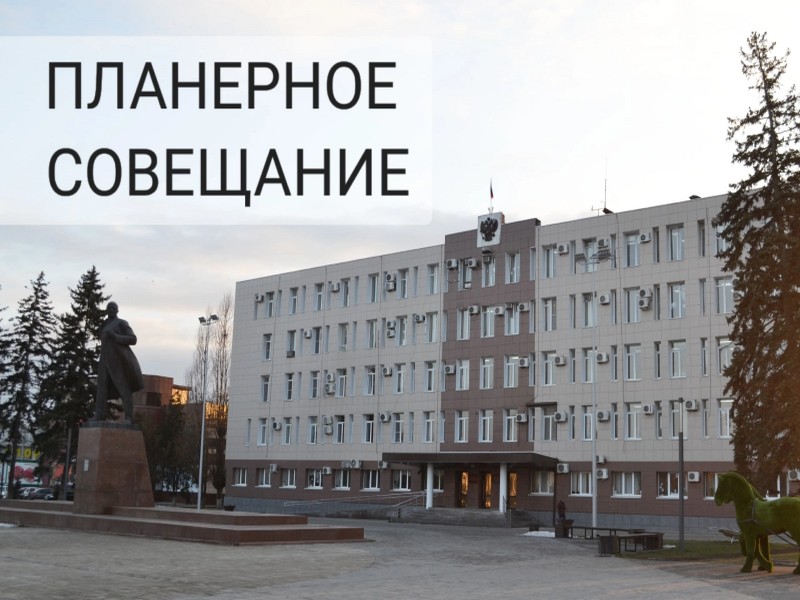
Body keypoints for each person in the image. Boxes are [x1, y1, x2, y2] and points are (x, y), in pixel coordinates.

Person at [93, 301, 144, 423]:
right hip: (104, 360)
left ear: (117, 310)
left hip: (117, 360)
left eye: (113, 308)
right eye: (109, 308)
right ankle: (99, 415)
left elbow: (133, 339)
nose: (111, 310)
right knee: (101, 388)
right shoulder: (104, 324)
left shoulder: (121, 323)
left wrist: (116, 336)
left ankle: (129, 417)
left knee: (123, 387)